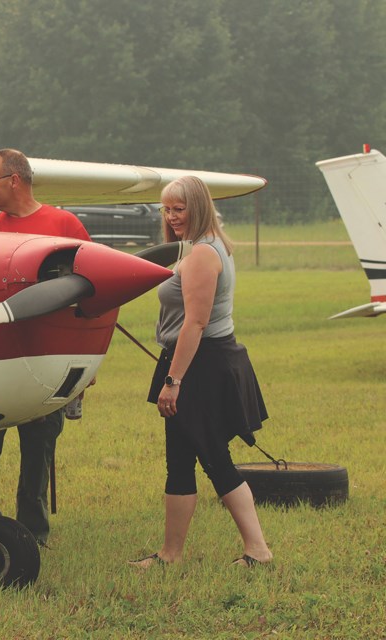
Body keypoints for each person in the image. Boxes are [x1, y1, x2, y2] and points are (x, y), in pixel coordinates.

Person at [129, 175, 272, 569]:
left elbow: (195, 323)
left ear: (199, 207)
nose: (172, 216)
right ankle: (170, 554)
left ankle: (258, 551)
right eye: (167, 209)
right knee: (179, 460)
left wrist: (173, 382)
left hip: (200, 365)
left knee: (214, 458)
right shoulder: (203, 245)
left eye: (180, 208)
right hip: (197, 359)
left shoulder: (204, 254)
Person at [0, 148, 90, 549]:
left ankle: (34, 534)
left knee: (38, 453)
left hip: (45, 362)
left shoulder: (64, 224)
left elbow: (94, 291)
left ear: (14, 180)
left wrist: (85, 364)